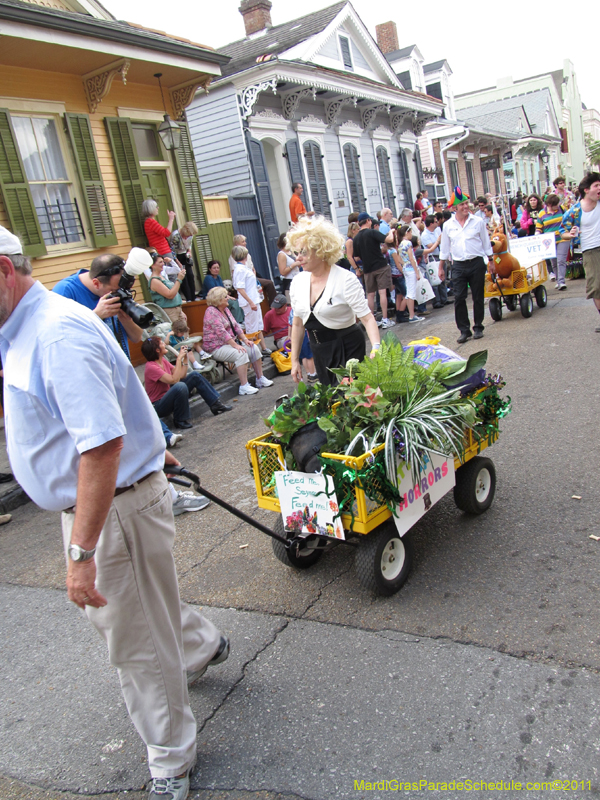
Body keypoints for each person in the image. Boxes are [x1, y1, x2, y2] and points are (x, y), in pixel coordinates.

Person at [0, 226, 229, 800]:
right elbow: (108, 400)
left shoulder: (52, 333)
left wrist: (80, 553)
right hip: (115, 499)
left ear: (3, 272)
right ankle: (201, 646)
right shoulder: (35, 324)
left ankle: (172, 758)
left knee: (134, 642)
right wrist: (151, 441)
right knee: (148, 609)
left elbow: (100, 445)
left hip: (108, 507)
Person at [287, 216, 381, 385]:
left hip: (347, 347)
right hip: (319, 350)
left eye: (304, 252)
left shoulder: (345, 279)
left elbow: (367, 317)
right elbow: (298, 323)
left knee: (349, 397)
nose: (298, 259)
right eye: (296, 253)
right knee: (331, 401)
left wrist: (376, 347)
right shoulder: (297, 282)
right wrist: (294, 361)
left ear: (322, 251)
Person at [439, 187, 493, 343]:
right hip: (459, 265)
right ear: (455, 207)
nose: (465, 207)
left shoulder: (478, 221)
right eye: (462, 204)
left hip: (476, 262)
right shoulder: (448, 225)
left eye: (467, 203)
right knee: (459, 297)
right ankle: (464, 330)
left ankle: (478, 327)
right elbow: (444, 247)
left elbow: (486, 242)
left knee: (477, 296)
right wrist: (441, 266)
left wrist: (491, 260)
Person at [142, 336, 232, 427]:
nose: (164, 344)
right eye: (161, 343)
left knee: (194, 376)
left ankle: (215, 404)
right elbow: (174, 380)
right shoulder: (151, 367)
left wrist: (185, 359)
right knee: (180, 386)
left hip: (168, 396)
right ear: (157, 350)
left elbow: (182, 375)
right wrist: (178, 359)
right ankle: (179, 420)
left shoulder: (163, 361)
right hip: (158, 405)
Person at [202, 287, 273, 395]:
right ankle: (244, 386)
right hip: (216, 347)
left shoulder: (225, 309)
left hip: (229, 343)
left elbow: (236, 326)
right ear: (218, 299)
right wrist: (236, 345)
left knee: (253, 348)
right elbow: (221, 332)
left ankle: (260, 378)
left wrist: (245, 339)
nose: (228, 298)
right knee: (241, 353)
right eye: (225, 296)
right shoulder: (211, 312)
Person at [559, 172, 600, 331]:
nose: (599, 188)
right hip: (590, 250)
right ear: (586, 190)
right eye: (596, 186)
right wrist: (571, 234)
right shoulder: (574, 211)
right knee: (596, 287)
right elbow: (562, 232)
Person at [352, 212, 395, 328]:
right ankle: (385, 319)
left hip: (367, 268)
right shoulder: (372, 232)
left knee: (370, 295)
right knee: (382, 293)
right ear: (368, 221)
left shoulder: (356, 238)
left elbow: (355, 257)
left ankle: (372, 320)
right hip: (380, 265)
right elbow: (389, 239)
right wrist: (391, 231)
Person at [231, 244, 269, 350]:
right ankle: (253, 351)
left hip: (254, 299)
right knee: (251, 327)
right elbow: (240, 288)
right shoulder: (239, 270)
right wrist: (250, 302)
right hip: (249, 302)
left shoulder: (244, 268)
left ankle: (263, 348)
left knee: (257, 326)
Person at [228, 234, 276, 306]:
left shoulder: (248, 255)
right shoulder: (233, 257)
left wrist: (253, 278)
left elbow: (253, 269)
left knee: (269, 283)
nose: (245, 243)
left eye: (245, 241)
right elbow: (234, 272)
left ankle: (273, 305)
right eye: (243, 241)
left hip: (251, 277)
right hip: (242, 281)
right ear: (237, 244)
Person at [148, 253, 186, 325]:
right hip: (169, 312)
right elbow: (170, 295)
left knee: (185, 334)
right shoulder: (154, 281)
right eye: (160, 262)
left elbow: (175, 295)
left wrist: (180, 311)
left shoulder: (162, 277)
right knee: (177, 334)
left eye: (163, 261)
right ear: (152, 265)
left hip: (177, 309)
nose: (163, 264)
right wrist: (179, 280)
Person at [421, 215, 448, 308]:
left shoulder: (437, 231)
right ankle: (437, 301)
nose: (437, 223)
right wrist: (438, 241)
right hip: (432, 257)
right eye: (436, 221)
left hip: (440, 255)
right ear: (431, 223)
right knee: (435, 280)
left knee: (443, 278)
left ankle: (444, 299)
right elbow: (430, 246)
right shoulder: (425, 235)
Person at [169, 222, 198, 301]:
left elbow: (189, 244)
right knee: (183, 277)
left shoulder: (190, 236)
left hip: (185, 255)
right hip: (177, 257)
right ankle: (188, 298)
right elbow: (172, 251)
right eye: (188, 235)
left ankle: (193, 297)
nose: (188, 237)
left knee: (190, 275)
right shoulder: (176, 236)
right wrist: (178, 263)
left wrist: (189, 251)